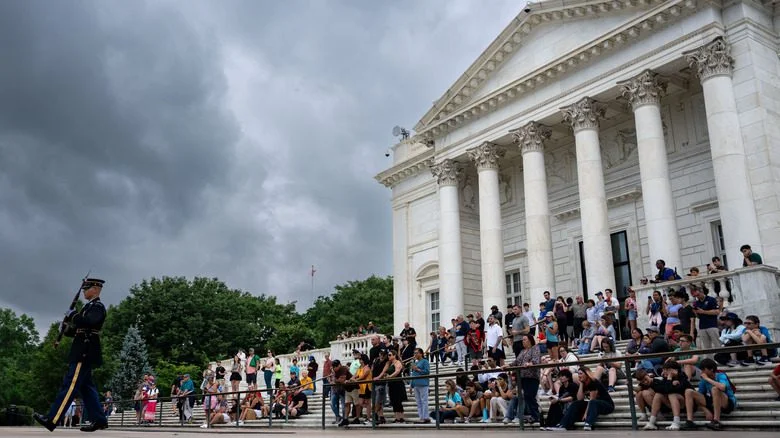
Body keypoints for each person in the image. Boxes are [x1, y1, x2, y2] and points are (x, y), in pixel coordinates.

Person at [34, 278, 109, 433]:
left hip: (84, 351)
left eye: (86, 289)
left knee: (70, 386)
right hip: (82, 349)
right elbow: (79, 330)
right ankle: (99, 420)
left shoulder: (97, 307)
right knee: (87, 387)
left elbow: (89, 322)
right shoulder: (88, 307)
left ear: (95, 289)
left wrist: (73, 315)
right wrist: (66, 329)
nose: (84, 292)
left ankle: (52, 419)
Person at [546, 366, 614, 431]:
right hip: (593, 404)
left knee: (593, 402)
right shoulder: (584, 383)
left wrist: (585, 413)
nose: (579, 376)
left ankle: (588, 423)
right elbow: (579, 398)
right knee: (576, 403)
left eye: (581, 374)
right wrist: (581, 384)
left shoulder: (593, 382)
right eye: (578, 374)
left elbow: (592, 400)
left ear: (586, 374)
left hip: (606, 404)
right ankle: (563, 425)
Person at [682, 358, 738, 430]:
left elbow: (723, 387)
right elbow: (699, 397)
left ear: (711, 369)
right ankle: (689, 422)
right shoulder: (703, 380)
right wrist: (705, 410)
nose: (702, 372)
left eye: (703, 370)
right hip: (712, 401)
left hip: (727, 403)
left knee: (715, 389)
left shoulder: (721, 375)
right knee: (688, 391)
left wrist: (707, 379)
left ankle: (716, 421)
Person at [410, 348, 431, 423]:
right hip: (415, 384)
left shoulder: (425, 361)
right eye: (414, 353)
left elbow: (427, 371)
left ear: (421, 354)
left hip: (423, 383)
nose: (415, 354)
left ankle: (426, 417)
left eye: (417, 353)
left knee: (424, 400)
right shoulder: (415, 362)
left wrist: (418, 369)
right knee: (418, 401)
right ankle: (421, 417)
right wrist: (411, 385)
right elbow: (413, 374)